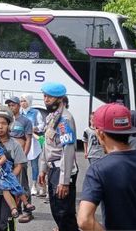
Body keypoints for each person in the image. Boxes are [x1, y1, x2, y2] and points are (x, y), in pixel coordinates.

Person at [38, 82, 79, 231]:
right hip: (53, 169)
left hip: (62, 171)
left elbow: (68, 150)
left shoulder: (64, 120)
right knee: (57, 212)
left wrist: (64, 181)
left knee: (64, 214)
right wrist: (43, 168)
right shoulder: (52, 117)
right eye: (45, 96)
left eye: (50, 97)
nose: (46, 99)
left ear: (60, 99)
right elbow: (47, 144)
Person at [19, 93, 45, 196]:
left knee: (34, 165)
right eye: (21, 101)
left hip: (33, 141)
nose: (22, 103)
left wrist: (34, 128)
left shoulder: (35, 112)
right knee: (22, 164)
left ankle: (34, 185)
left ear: (29, 101)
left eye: (24, 100)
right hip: (21, 141)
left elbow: (42, 125)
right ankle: (23, 184)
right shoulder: (19, 113)